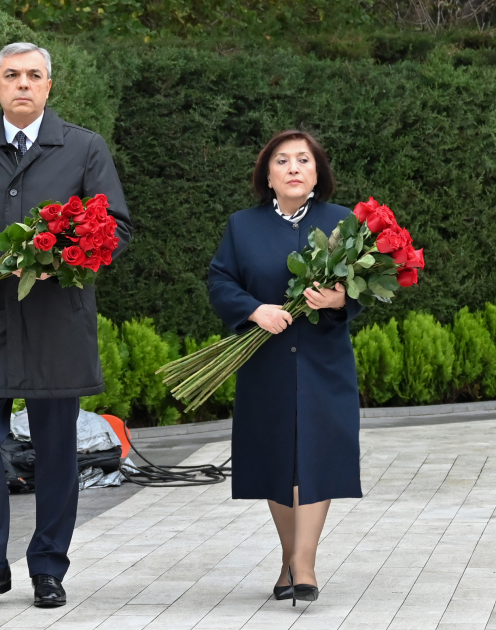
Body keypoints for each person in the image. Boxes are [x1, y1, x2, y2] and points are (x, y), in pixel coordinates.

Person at [0, 42, 132, 609]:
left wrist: (61, 261)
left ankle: (48, 566)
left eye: (34, 75)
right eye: (12, 75)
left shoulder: (85, 148)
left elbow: (116, 229)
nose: (23, 83)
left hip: (56, 323)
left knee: (56, 447)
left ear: (48, 86)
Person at [208, 130, 362, 604]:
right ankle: (289, 559)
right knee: (276, 458)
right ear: (267, 175)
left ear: (317, 173)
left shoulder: (343, 223)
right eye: (282, 160)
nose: (293, 167)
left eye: (303, 160)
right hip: (266, 361)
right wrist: (255, 310)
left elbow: (361, 286)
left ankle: (304, 564)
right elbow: (220, 280)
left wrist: (339, 300)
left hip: (324, 361)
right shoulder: (242, 226)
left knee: (319, 455)